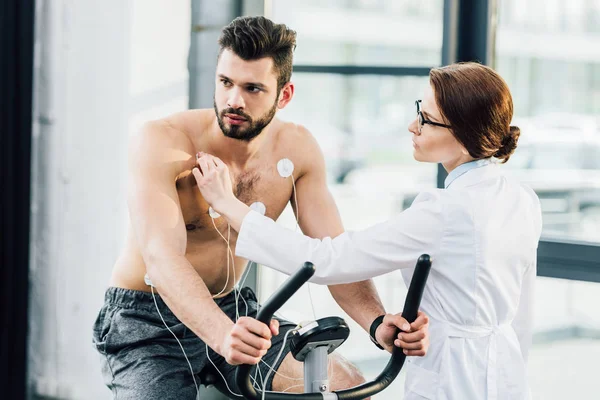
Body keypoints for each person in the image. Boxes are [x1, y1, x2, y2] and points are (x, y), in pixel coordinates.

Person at [92, 16, 429, 400]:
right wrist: (221, 335)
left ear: (283, 95)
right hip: (146, 318)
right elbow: (162, 259)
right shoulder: (163, 141)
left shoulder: (297, 150)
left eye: (253, 88)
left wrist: (376, 322)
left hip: (234, 308)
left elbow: (333, 254)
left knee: (348, 386)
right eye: (225, 83)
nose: (234, 100)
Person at [194, 62, 543, 400]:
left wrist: (229, 204)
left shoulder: (445, 212)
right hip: (509, 376)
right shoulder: (522, 198)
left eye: (427, 119)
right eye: (419, 109)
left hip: (453, 380)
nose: (413, 125)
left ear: (466, 138)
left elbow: (325, 260)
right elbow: (521, 314)